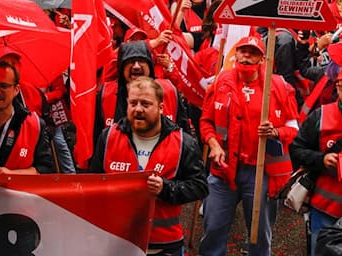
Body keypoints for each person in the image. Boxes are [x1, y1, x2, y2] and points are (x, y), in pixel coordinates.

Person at [198, 34, 299, 256]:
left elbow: (294, 127)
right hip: (223, 171)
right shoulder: (220, 82)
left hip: (260, 173)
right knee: (212, 228)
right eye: (242, 51)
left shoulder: (279, 86)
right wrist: (213, 144)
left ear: (262, 60)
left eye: (253, 53)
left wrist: (276, 131)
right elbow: (205, 121)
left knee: (260, 235)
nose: (246, 56)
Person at [90, 78, 207, 256]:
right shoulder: (107, 138)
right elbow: (93, 185)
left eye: (145, 104)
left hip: (164, 246)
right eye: (133, 103)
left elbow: (200, 187)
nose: (138, 109)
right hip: (117, 241)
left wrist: (165, 188)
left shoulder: (184, 142)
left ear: (161, 108)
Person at [290, 62, 342, 254]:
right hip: (324, 212)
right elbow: (296, 150)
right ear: (337, 85)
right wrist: (321, 159)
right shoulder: (320, 116)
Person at [95, 39, 188, 145]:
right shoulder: (106, 94)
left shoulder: (169, 91)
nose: (136, 66)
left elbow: (184, 138)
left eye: (141, 61)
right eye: (130, 61)